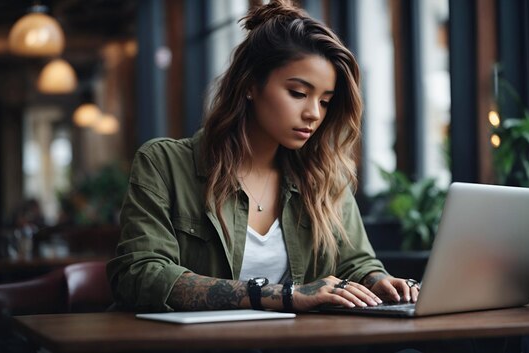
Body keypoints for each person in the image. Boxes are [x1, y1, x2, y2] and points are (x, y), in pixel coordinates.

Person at [107, 0, 419, 315]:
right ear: (250, 85)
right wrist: (280, 295)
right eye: (298, 93)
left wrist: (378, 280)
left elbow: (356, 261)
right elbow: (140, 274)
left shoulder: (325, 175)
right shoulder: (165, 165)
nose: (313, 113)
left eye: (325, 101)